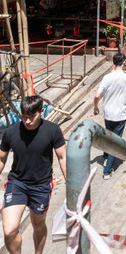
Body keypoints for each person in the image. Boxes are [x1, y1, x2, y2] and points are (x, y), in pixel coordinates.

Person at [0, 95, 66, 254]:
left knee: (38, 224)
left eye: (32, 117)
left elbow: (62, 157)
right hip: (17, 183)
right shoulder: (10, 132)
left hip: (41, 185)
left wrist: (72, 184)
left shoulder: (53, 130)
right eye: (24, 117)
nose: (28, 121)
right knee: (9, 230)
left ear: (41, 111)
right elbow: (2, 158)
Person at [93, 53, 126, 179]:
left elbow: (97, 96)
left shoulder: (107, 77)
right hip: (120, 114)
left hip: (108, 112)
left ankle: (106, 158)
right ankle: (107, 171)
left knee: (108, 136)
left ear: (113, 63)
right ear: (123, 63)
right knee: (115, 142)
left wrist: (95, 107)